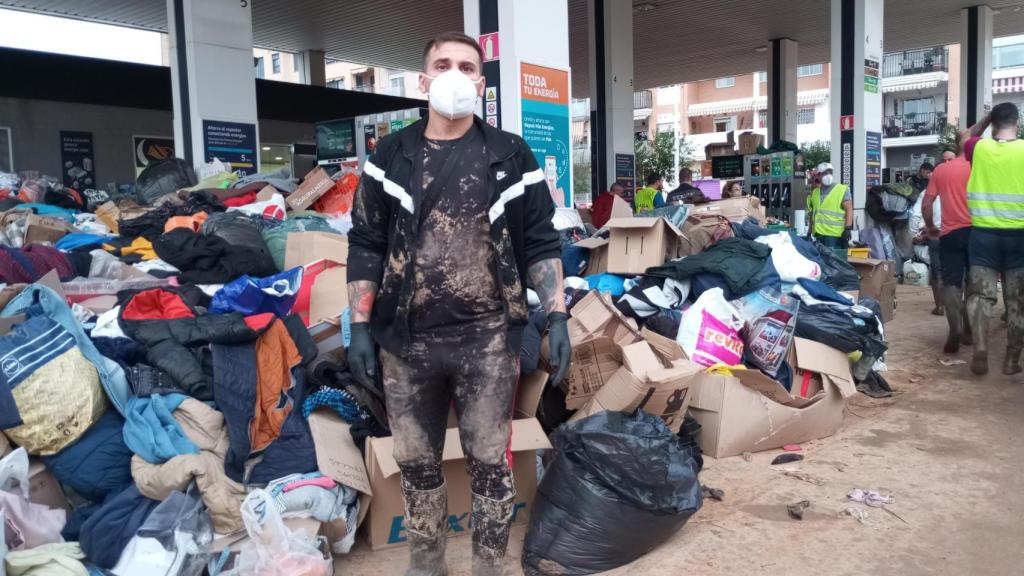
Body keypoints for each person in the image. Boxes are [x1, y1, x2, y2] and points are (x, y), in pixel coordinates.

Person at [346, 31, 572, 575]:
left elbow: (541, 239)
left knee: (491, 464)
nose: (454, 74)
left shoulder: (509, 153)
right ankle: (427, 566)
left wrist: (558, 313)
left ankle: (488, 568)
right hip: (406, 340)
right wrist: (358, 325)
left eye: (466, 66)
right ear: (423, 81)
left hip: (489, 339)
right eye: (442, 64)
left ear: (480, 82)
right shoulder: (391, 155)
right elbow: (366, 241)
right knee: (416, 464)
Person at [961, 102, 1024, 376]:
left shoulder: (980, 148)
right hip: (1019, 238)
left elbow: (963, 137)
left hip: (983, 235)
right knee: (1017, 301)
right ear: (1018, 124)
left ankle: (981, 347)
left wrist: (987, 118)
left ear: (993, 122)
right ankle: (1012, 359)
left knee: (980, 296)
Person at [923, 140, 973, 353]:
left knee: (952, 282)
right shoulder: (977, 168)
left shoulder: (940, 171)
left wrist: (930, 226)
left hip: (950, 234)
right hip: (978, 232)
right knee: (974, 283)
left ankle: (954, 327)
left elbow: (927, 204)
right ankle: (969, 328)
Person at [806, 162, 854, 248]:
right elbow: (813, 213)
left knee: (832, 260)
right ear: (818, 175)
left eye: (830, 172)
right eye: (825, 173)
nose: (828, 175)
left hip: (834, 235)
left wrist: (848, 228)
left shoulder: (841, 189)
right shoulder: (815, 192)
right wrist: (809, 231)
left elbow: (849, 209)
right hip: (819, 234)